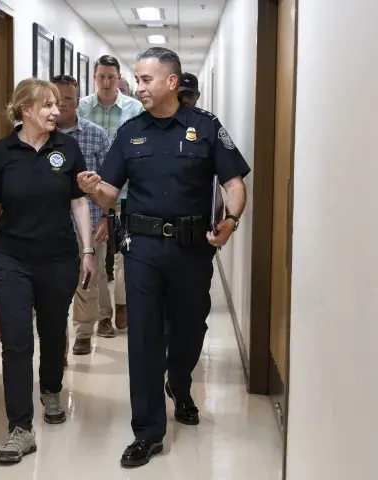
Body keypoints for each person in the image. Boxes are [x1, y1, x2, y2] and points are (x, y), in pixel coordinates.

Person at [77, 47, 251, 468]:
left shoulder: (205, 127)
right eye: (135, 80)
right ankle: (148, 431)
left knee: (190, 328)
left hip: (193, 248)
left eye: (145, 80)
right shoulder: (130, 131)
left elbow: (232, 182)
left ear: (172, 81)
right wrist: (92, 187)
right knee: (144, 336)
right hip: (143, 248)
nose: (137, 87)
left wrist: (231, 219)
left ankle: (180, 383)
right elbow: (110, 193)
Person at [0, 78, 96, 465]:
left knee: (52, 329)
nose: (55, 112)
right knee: (15, 341)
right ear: (25, 110)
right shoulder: (1, 153)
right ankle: (20, 429)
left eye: (57, 105)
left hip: (59, 257)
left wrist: (89, 250)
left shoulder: (68, 147)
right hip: (12, 259)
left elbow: (79, 203)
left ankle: (51, 389)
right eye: (47, 106)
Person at [77, 54, 144, 336]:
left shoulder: (134, 109)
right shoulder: (81, 108)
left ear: (119, 78)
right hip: (90, 198)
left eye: (111, 77)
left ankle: (122, 304)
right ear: (94, 78)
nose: (105, 82)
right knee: (99, 256)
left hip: (127, 194)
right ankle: (104, 315)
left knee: (123, 257)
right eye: (100, 77)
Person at [51, 74, 111, 356]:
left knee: (87, 279)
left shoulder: (96, 134)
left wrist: (106, 218)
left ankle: (84, 333)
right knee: (53, 285)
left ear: (78, 100)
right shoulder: (37, 134)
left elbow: (109, 183)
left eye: (69, 98)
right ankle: (57, 337)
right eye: (58, 97)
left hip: (89, 219)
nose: (64, 104)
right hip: (49, 224)